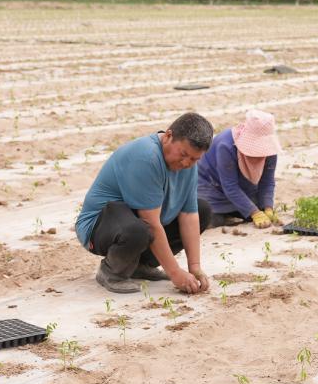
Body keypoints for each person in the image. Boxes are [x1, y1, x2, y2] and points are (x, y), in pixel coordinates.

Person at [74, 112, 215, 294]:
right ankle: (112, 271)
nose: (187, 163)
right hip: (99, 227)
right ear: (168, 136)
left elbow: (189, 215)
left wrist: (194, 267)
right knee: (140, 229)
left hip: (139, 221)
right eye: (183, 154)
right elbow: (151, 223)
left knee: (203, 210)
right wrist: (175, 273)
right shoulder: (146, 156)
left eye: (195, 159)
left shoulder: (188, 166)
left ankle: (140, 265)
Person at [197, 109, 282, 228]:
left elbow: (267, 181)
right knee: (211, 220)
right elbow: (230, 185)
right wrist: (255, 212)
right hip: (212, 185)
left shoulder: (270, 150)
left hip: (243, 186)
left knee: (259, 211)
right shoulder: (226, 146)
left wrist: (268, 208)